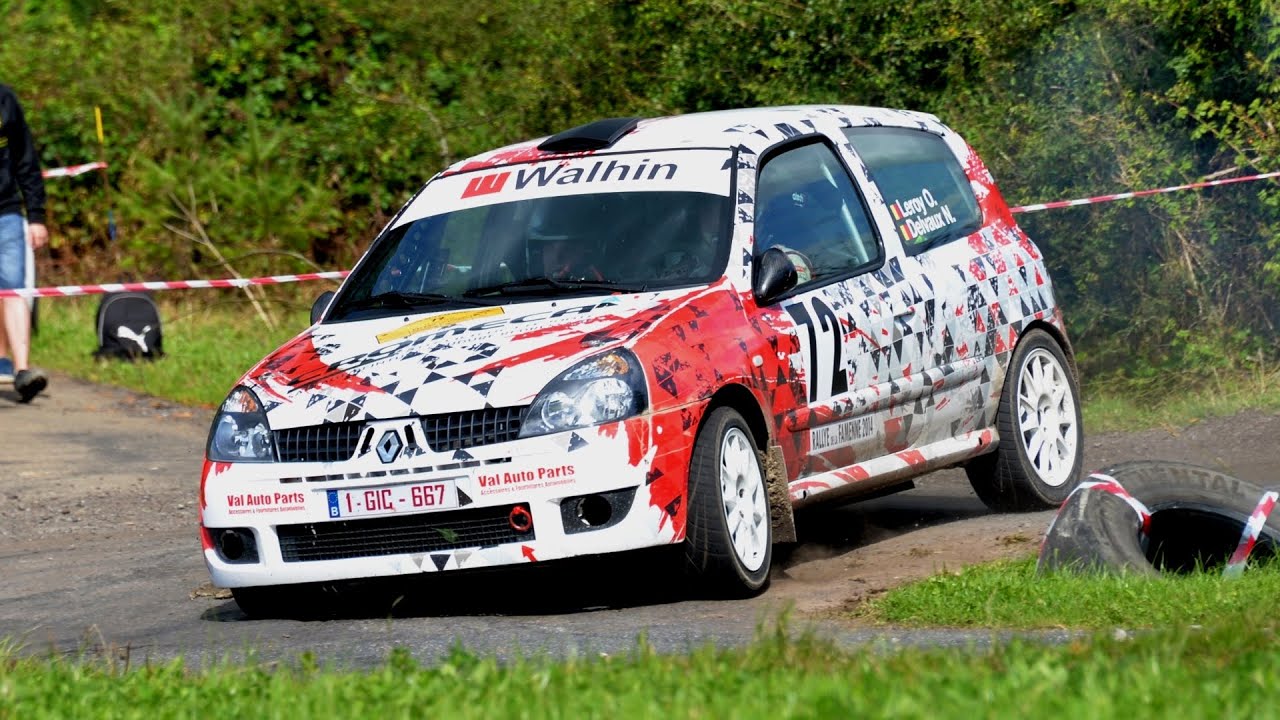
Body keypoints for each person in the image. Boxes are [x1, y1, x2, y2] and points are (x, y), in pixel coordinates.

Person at [0, 83, 49, 403]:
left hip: (6, 213)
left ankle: (22, 371)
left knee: (13, 288)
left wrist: (36, 215)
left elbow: (26, 158)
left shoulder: (5, 100)